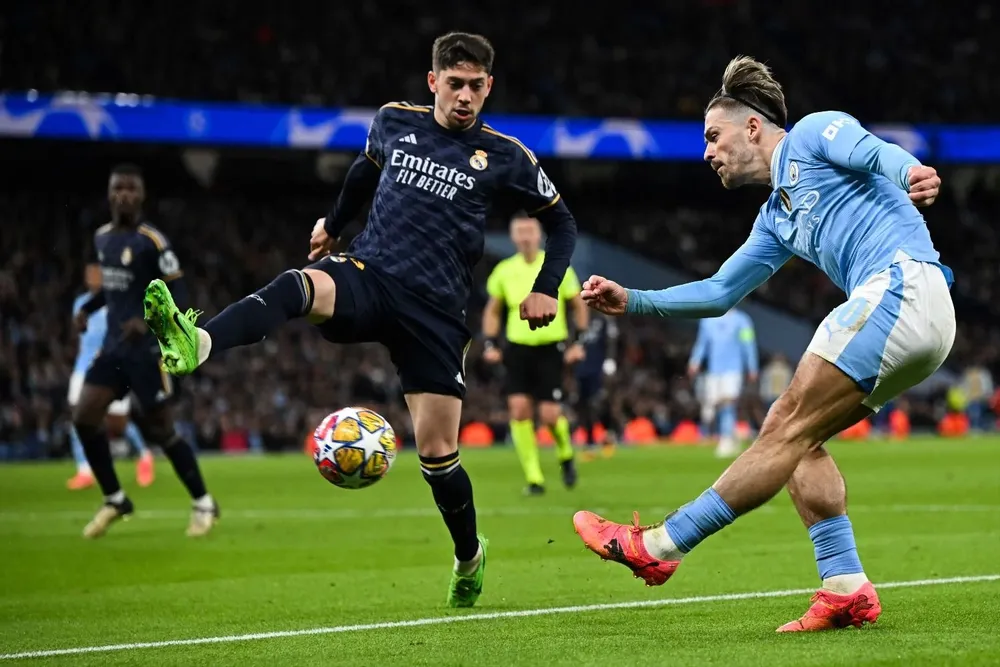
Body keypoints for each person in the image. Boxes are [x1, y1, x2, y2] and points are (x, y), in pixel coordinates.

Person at [141, 32, 577, 608]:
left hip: (437, 315)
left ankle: (469, 556)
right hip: (371, 274)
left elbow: (563, 224)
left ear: (489, 86)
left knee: (438, 455)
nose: (465, 96)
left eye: (476, 85)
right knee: (299, 285)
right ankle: (198, 341)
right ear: (433, 82)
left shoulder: (506, 156)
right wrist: (334, 225)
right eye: (454, 84)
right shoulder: (394, 121)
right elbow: (362, 175)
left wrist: (547, 289)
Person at [572, 55, 952, 632]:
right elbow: (721, 290)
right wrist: (636, 300)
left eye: (712, 136)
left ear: (751, 127)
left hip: (901, 284)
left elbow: (875, 152)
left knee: (782, 429)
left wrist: (910, 172)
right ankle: (845, 585)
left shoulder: (811, 134)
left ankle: (658, 544)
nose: (706, 152)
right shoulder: (776, 217)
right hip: (917, 317)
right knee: (798, 437)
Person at [73, 163, 218, 539]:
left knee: (162, 431)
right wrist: (87, 309)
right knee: (85, 418)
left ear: (141, 196)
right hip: (112, 350)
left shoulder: (153, 242)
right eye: (117, 188)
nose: (123, 195)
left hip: (148, 353)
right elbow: (112, 289)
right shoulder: (102, 238)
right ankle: (115, 498)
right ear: (109, 194)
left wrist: (149, 322)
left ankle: (204, 502)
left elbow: (179, 292)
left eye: (130, 189)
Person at [482, 215, 587, 495]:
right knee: (519, 411)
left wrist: (578, 341)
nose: (525, 236)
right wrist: (491, 344)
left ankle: (565, 455)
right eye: (519, 231)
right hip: (517, 348)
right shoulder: (504, 271)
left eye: (529, 230)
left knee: (550, 415)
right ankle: (534, 478)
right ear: (513, 236)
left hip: (551, 347)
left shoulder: (555, 266)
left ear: (539, 234)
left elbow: (578, 305)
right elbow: (493, 310)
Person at [67, 264, 154, 490]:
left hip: (110, 364)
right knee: (78, 417)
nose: (92, 277)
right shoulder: (80, 303)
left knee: (118, 424)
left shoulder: (115, 301)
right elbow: (81, 335)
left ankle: (144, 456)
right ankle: (84, 470)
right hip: (83, 366)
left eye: (96, 273)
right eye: (88, 273)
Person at [688, 309, 758, 457]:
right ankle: (729, 435)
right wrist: (695, 361)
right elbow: (702, 343)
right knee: (715, 405)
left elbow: (748, 343)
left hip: (734, 369)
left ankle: (726, 439)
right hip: (714, 371)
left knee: (728, 403)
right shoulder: (707, 320)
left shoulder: (742, 320)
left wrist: (752, 366)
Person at [576, 313, 618, 461]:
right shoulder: (576, 318)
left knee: (599, 403)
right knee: (584, 406)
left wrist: (610, 359)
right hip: (581, 368)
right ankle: (590, 443)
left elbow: (612, 339)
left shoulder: (603, 319)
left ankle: (608, 435)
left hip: (599, 368)